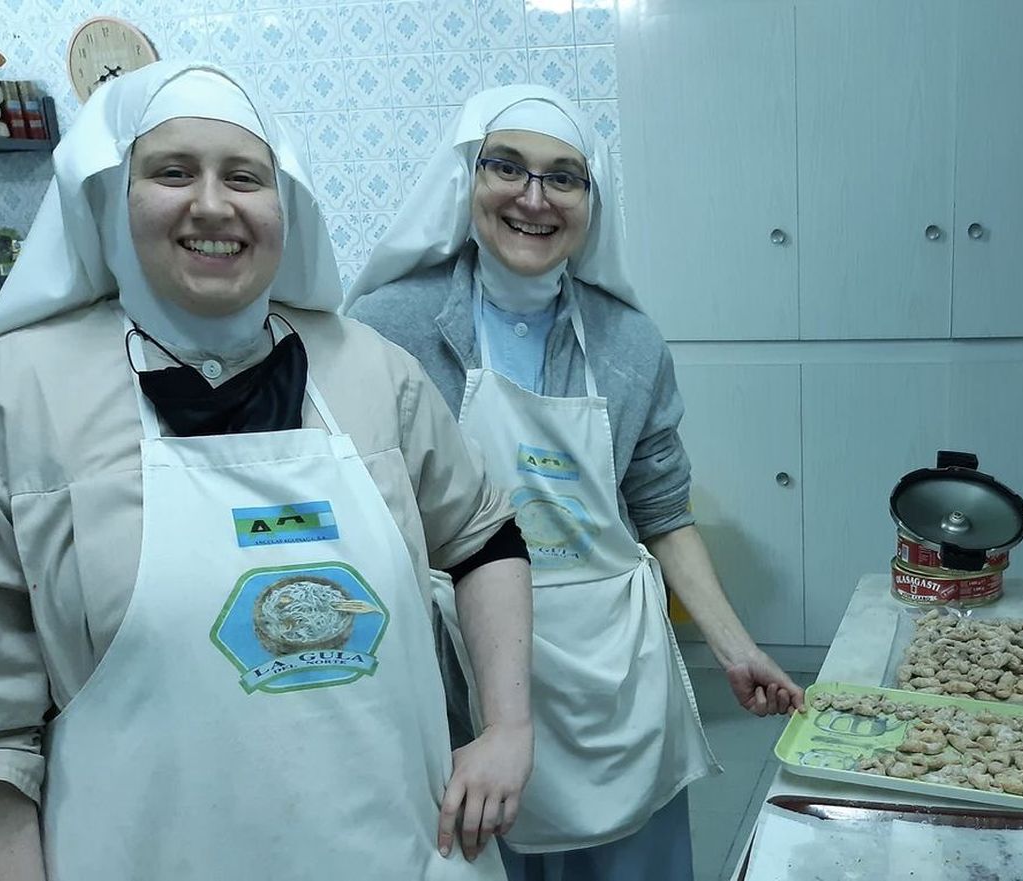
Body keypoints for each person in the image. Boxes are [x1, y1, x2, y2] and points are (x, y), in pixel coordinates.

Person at [0, 61, 532, 881]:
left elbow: (485, 536)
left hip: (399, 852)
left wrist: (507, 726)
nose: (214, 204)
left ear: (283, 205)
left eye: (246, 177)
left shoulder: (368, 369)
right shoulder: (10, 399)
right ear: (112, 196)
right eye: (173, 172)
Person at [343, 85, 805, 880]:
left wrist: (736, 647)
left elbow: (662, 510)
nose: (534, 197)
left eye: (564, 177)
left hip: (610, 679)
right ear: (467, 179)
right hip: (465, 671)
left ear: (592, 199)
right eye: (508, 168)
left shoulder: (628, 341)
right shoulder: (393, 329)